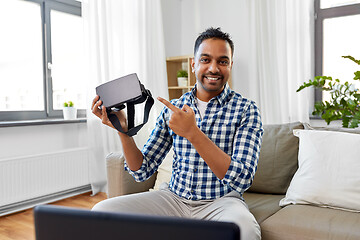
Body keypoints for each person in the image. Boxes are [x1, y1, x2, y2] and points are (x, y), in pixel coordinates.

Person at [91, 27, 263, 240]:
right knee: (101, 212)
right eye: (205, 59)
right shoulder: (174, 108)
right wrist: (124, 132)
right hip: (173, 199)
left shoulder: (246, 109)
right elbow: (141, 171)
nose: (214, 68)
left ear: (230, 65)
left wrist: (193, 133)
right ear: (193, 64)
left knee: (245, 231)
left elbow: (242, 179)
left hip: (221, 203)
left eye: (223, 61)